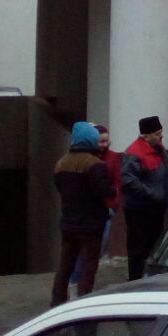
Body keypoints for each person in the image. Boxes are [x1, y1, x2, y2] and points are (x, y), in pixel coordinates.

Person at [51, 122, 112, 306]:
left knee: (65, 264)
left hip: (68, 222)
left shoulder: (61, 163)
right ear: (91, 140)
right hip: (90, 224)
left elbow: (59, 187)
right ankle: (84, 302)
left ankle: (57, 301)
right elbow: (102, 190)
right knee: (88, 265)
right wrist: (114, 190)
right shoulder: (94, 164)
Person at [119, 116, 168, 280]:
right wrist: (154, 195)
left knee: (153, 246)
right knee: (138, 249)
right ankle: (136, 280)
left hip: (155, 208)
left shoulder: (159, 149)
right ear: (146, 136)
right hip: (139, 211)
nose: (161, 136)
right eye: (157, 133)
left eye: (161, 132)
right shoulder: (134, 153)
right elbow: (129, 181)